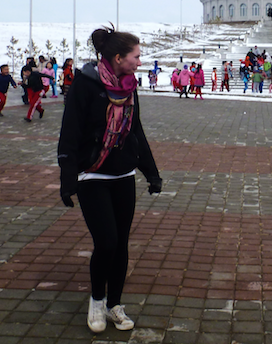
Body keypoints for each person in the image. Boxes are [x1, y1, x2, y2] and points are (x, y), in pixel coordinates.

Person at [57, 26, 162, 334]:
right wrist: (67, 177)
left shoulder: (130, 87)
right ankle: (97, 300)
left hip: (123, 175)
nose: (140, 62)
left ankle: (115, 304)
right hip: (93, 175)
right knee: (107, 242)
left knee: (121, 245)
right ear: (118, 58)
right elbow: (70, 132)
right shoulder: (85, 84)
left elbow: (136, 131)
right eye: (136, 56)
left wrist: (151, 172)